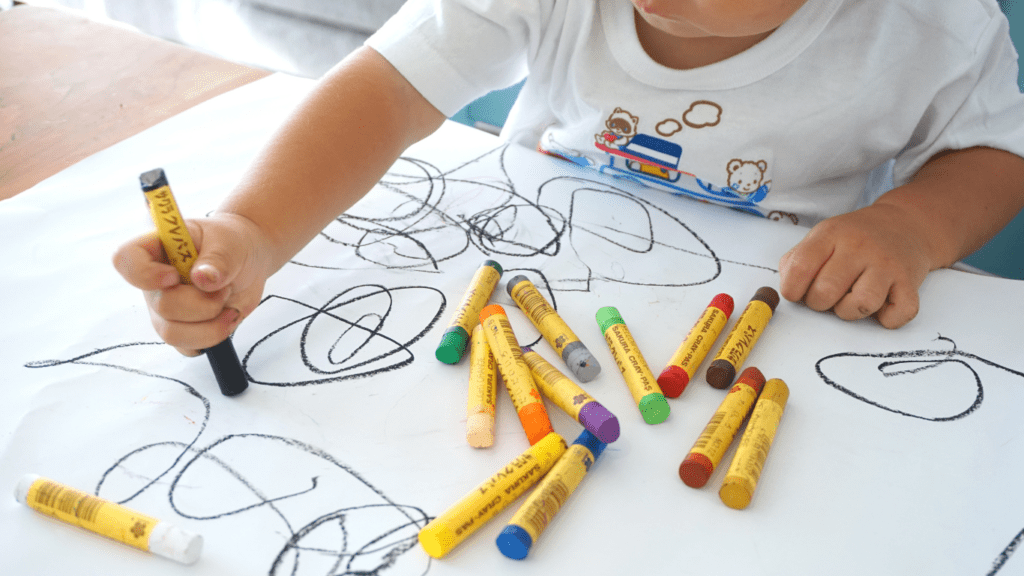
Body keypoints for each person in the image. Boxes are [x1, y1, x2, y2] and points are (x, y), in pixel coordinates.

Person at [113, 0, 1024, 356]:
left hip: (763, 328)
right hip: (532, 289)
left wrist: (915, 226)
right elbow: (387, 91)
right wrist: (256, 230)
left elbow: (995, 152)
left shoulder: (930, 25)